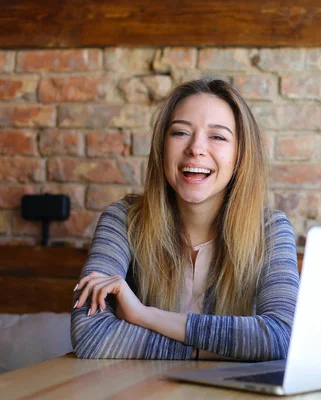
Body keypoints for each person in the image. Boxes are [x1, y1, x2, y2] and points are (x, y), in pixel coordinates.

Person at [71, 78, 299, 361]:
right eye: (180, 132)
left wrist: (146, 316)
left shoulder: (270, 231)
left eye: (217, 136)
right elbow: (91, 336)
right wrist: (222, 349)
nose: (196, 148)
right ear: (161, 147)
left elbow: (282, 337)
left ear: (240, 155)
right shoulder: (123, 221)